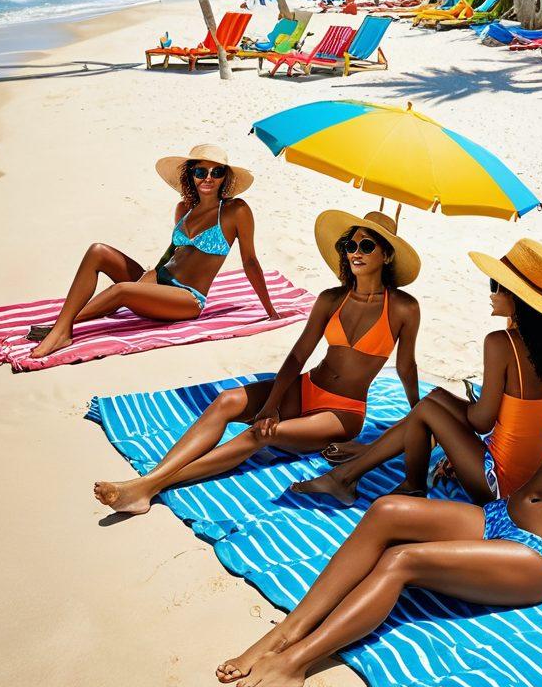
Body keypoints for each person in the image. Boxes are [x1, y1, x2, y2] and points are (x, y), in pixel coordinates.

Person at [216, 284, 542, 687]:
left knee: (402, 561)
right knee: (387, 510)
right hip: (499, 517)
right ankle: (284, 634)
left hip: (538, 557)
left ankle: (296, 662)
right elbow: (518, 397)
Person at [93, 209, 421, 516]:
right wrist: (272, 402)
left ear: (386, 255)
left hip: (342, 412)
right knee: (227, 401)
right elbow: (298, 355)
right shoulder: (331, 299)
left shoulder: (403, 308)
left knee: (261, 434)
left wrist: (412, 420)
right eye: (351, 244)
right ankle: (152, 478)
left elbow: (406, 367)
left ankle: (146, 488)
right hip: (307, 387)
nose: (356, 252)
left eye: (367, 245)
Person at [292, 239, 542, 506]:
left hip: (501, 484)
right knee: (436, 399)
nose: (491, 294)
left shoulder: (502, 344)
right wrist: (450, 420)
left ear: (516, 297)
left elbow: (481, 421)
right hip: (535, 475)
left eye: (496, 285)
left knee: (429, 409)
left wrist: (449, 428)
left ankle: (365, 478)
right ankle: (377, 473)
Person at [26, 145, 276, 360]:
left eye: (216, 172)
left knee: (121, 291)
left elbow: (250, 261)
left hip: (186, 299)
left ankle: (60, 330)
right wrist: (151, 276)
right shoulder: (184, 208)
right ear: (191, 175)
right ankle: (61, 327)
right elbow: (172, 254)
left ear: (225, 177)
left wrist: (271, 311)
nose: (208, 178)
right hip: (159, 282)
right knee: (98, 251)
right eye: (201, 171)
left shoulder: (235, 211)